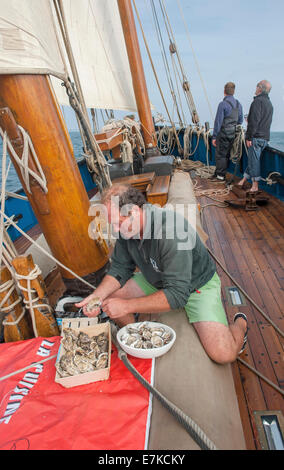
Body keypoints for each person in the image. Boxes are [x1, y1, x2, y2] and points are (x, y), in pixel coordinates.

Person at [76, 184, 248, 365]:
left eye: (118, 223)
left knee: (224, 354)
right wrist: (96, 296)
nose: (116, 230)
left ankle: (241, 324)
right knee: (109, 297)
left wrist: (127, 307)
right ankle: (138, 339)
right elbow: (119, 269)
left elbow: (178, 295)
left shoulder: (172, 231)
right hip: (156, 277)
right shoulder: (127, 230)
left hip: (196, 285)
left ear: (134, 212)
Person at [238, 80, 273, 192]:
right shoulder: (269, 104)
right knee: (253, 160)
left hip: (256, 138)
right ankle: (243, 180)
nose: (255, 88)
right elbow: (263, 121)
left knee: (254, 161)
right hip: (265, 138)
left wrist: (249, 137)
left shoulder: (257, 102)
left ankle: (255, 186)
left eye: (256, 86)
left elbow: (254, 122)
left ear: (260, 88)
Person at [212, 82, 243, 181]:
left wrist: (214, 136)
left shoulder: (223, 104)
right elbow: (240, 120)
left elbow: (218, 122)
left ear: (224, 91)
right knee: (228, 154)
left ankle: (220, 176)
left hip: (224, 133)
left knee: (221, 154)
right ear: (233, 92)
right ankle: (219, 173)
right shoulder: (239, 104)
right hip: (233, 133)